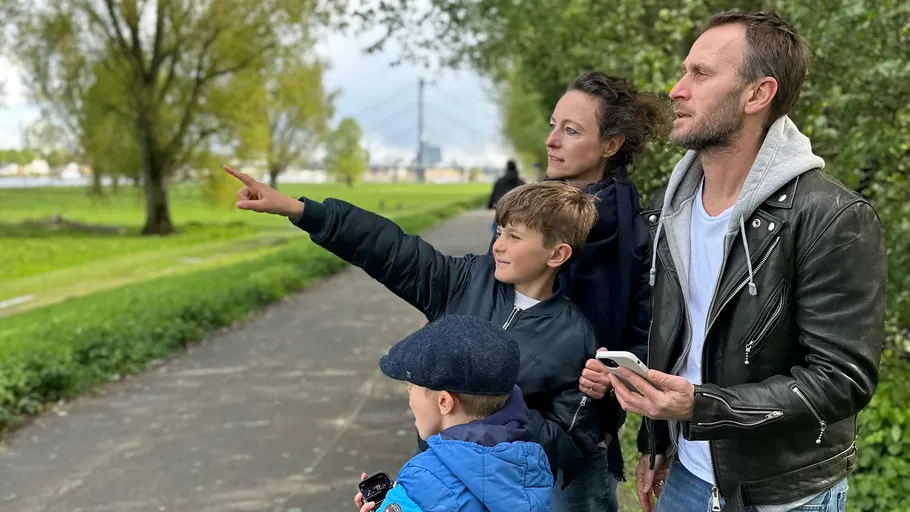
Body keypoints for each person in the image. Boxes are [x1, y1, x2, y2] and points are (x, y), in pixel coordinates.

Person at [585, 11, 887, 512]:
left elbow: (841, 379)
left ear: (757, 95)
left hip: (780, 494)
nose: (676, 89)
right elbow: (682, 341)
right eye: (684, 72)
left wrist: (700, 406)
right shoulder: (674, 208)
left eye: (700, 74)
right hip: (686, 472)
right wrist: (658, 439)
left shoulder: (832, 216)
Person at [223, 166, 604, 502]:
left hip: (506, 497)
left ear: (557, 255)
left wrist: (491, 408)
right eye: (499, 231)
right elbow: (389, 249)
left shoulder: (576, 336)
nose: (498, 245)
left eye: (515, 237)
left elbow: (573, 443)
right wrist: (301, 210)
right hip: (431, 478)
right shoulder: (464, 281)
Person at [490, 71, 668, 511]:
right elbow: (489, 293)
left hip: (577, 438)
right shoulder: (527, 213)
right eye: (554, 126)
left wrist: (614, 374)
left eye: (570, 131)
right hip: (497, 422)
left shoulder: (638, 235)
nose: (552, 140)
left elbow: (650, 336)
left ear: (611, 145)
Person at [352, 315, 553, 512]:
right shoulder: (530, 461)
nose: (409, 394)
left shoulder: (419, 484)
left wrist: (400, 502)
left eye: (411, 386)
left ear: (444, 402)